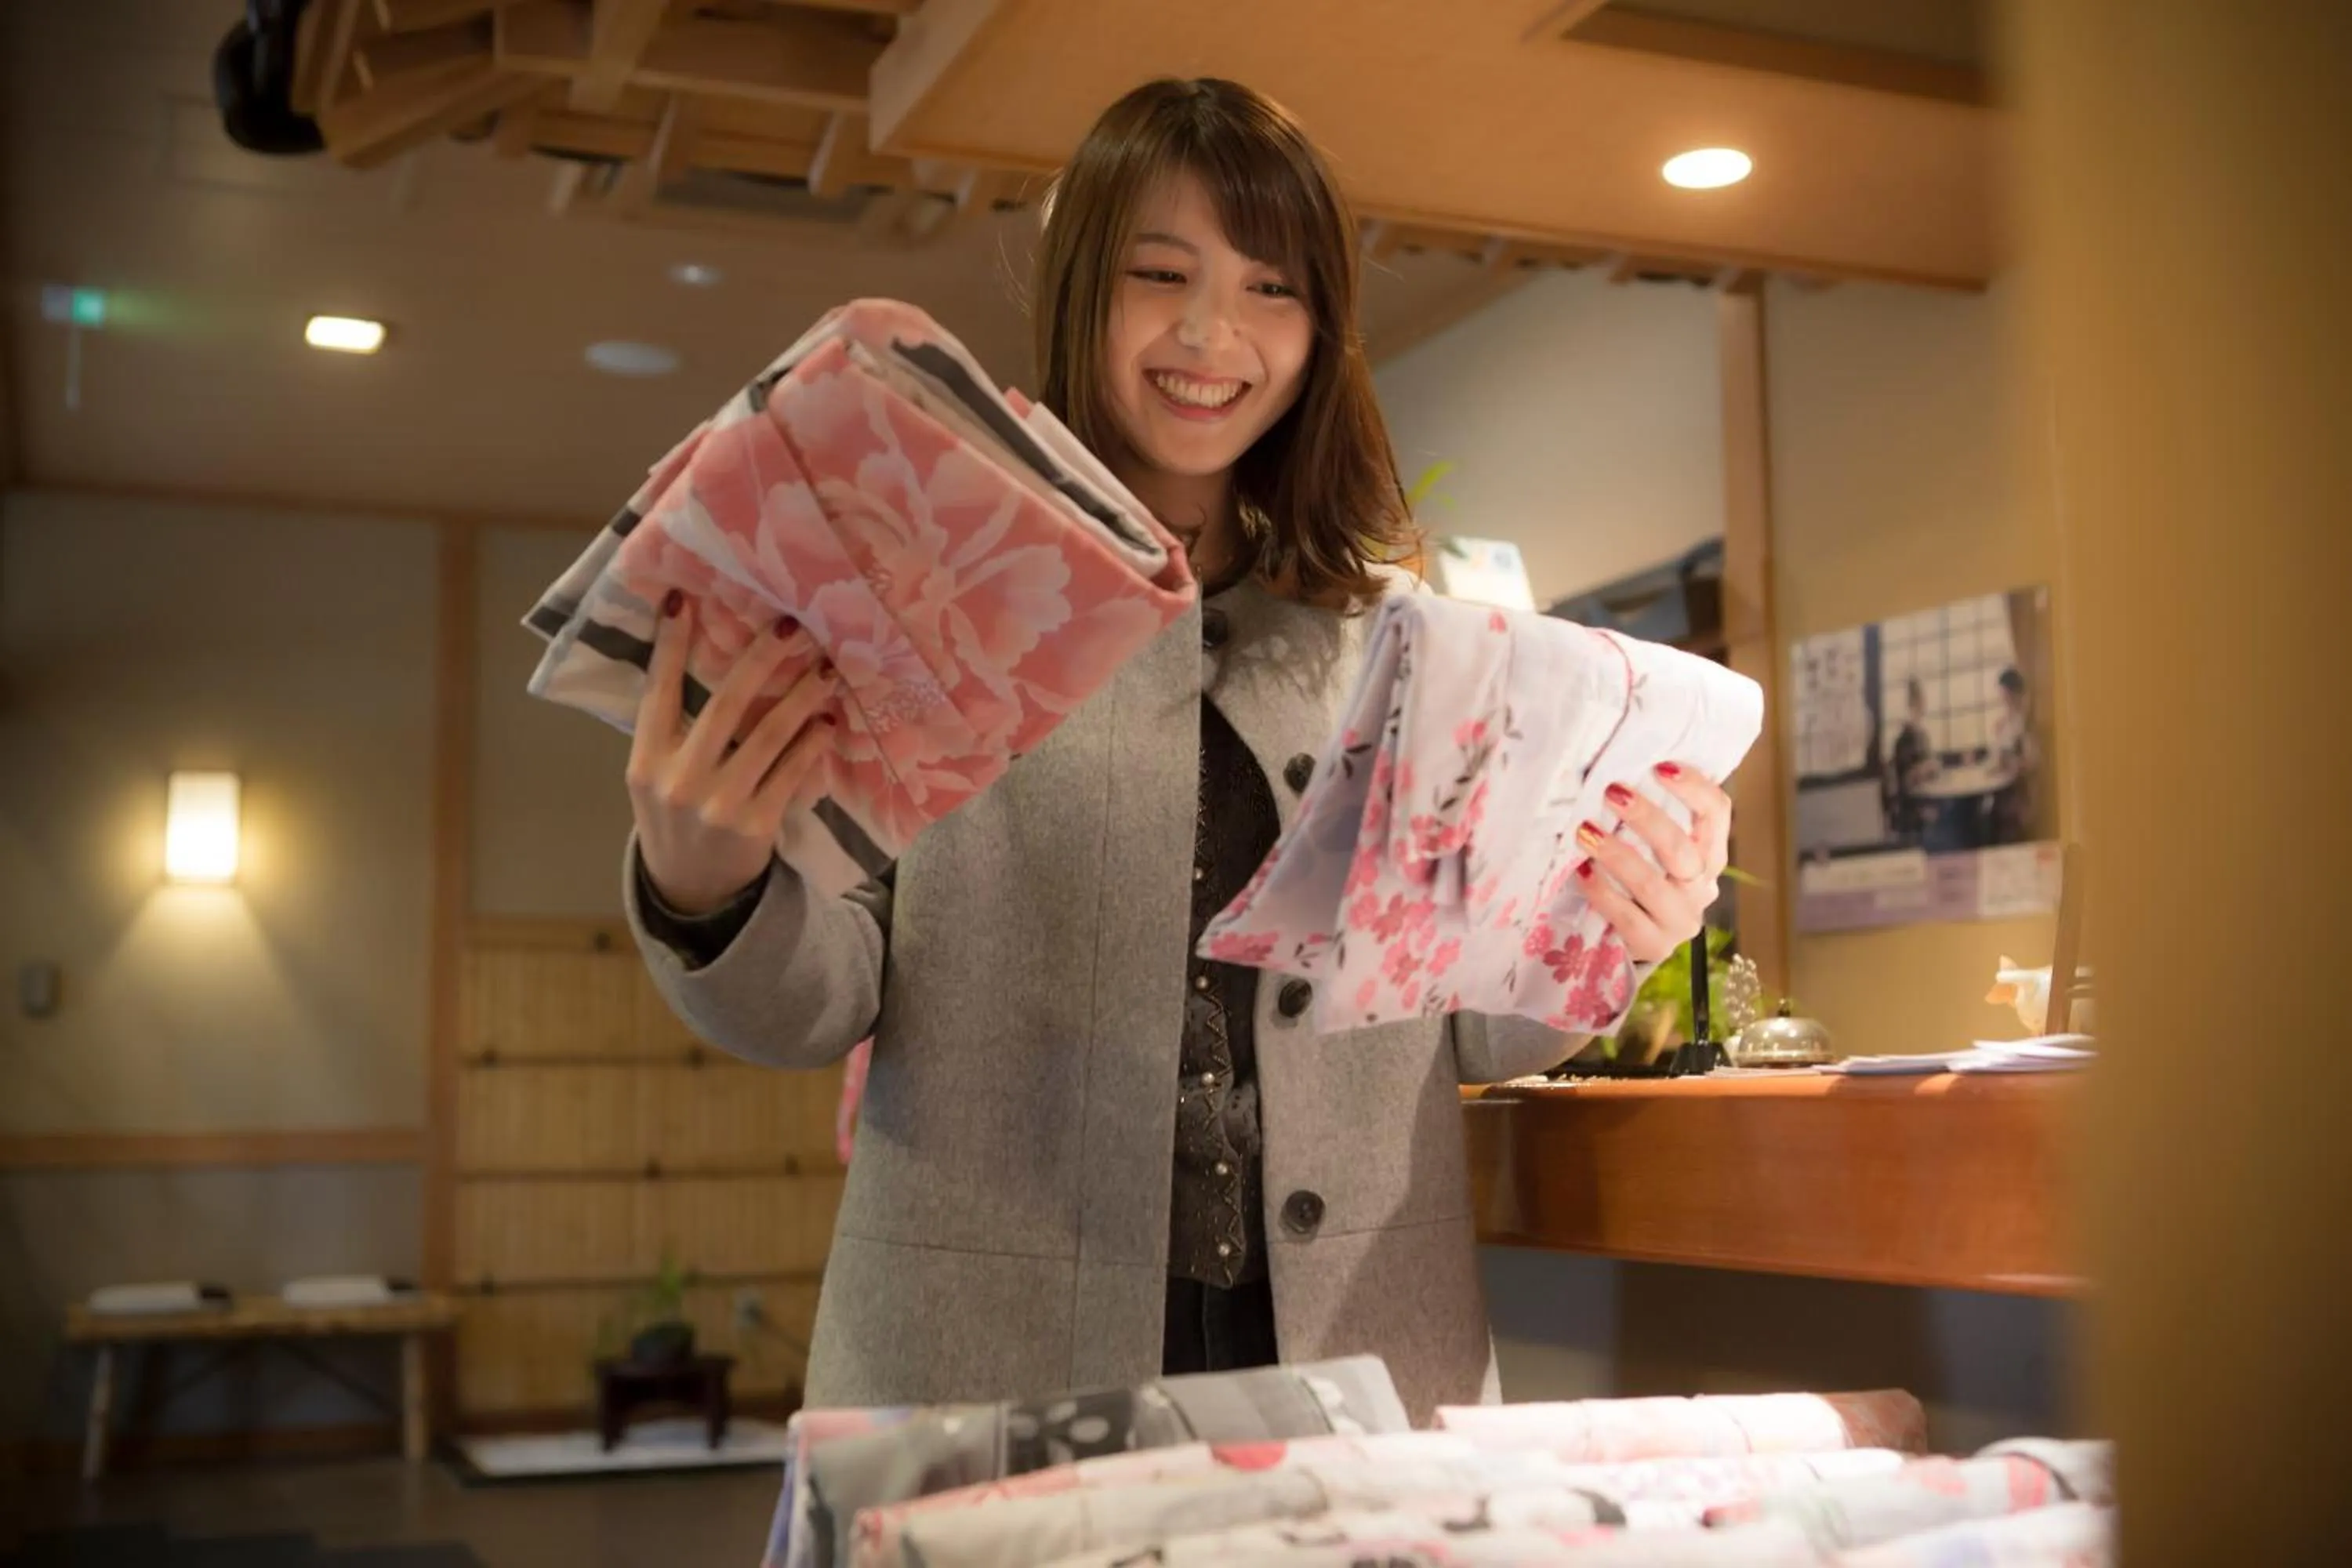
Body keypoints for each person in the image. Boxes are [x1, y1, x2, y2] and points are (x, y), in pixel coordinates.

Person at [615, 78, 1733, 1422]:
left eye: (1275, 289)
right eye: (1162, 273)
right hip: (991, 1362)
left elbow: (1480, 1027)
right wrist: (709, 888)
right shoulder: (924, 593)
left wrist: (1611, 923)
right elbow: (813, 1000)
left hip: (1363, 1360)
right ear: (1086, 282)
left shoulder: (1394, 642)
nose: (1214, 335)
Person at [1884, 677, 1936, 845]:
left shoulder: (1923, 734)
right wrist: (1925, 769)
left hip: (1925, 799)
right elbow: (1905, 780)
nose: (1923, 704)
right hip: (1911, 807)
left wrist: (1932, 768)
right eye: (1918, 700)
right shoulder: (1904, 739)